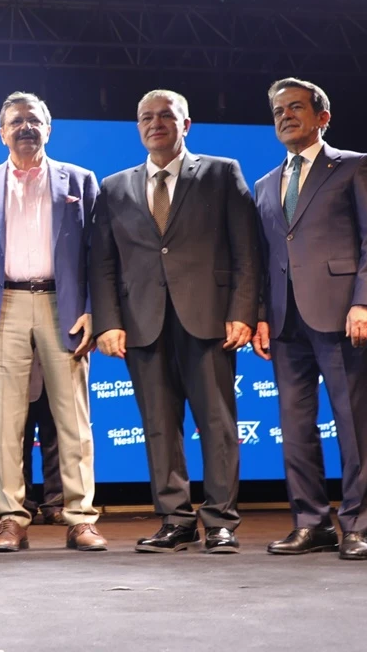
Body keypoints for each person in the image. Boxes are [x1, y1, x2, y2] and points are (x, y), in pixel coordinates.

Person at [90, 89, 260, 554]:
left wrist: (242, 312)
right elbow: (102, 263)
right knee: (160, 427)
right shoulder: (114, 187)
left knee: (217, 424)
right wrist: (108, 322)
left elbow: (247, 250)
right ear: (138, 127)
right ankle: (175, 520)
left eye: (166, 116)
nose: (155, 123)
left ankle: (221, 521)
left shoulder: (222, 172)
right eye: (146, 117)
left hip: (209, 320)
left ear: (186, 124)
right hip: (143, 324)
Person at [250, 78, 367, 561]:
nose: (285, 117)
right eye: (278, 111)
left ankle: (357, 526)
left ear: (322, 117)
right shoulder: (266, 183)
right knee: (295, 428)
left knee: (353, 426)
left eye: (295, 108)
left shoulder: (355, 166)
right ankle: (311, 523)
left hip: (342, 315)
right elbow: (264, 258)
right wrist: (261, 316)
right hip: (285, 322)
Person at [0, 91, 106, 553]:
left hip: (64, 306)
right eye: (16, 121)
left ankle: (81, 518)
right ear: (1, 132)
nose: (25, 127)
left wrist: (93, 308)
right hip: (2, 306)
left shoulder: (80, 180)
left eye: (34, 120)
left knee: (74, 419)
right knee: (6, 422)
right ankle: (11, 519)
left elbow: (98, 254)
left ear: (49, 128)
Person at [22, 356, 64, 525]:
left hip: (53, 385)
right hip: (19, 387)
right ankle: (23, 505)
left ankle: (54, 505)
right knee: (19, 450)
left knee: (54, 447)